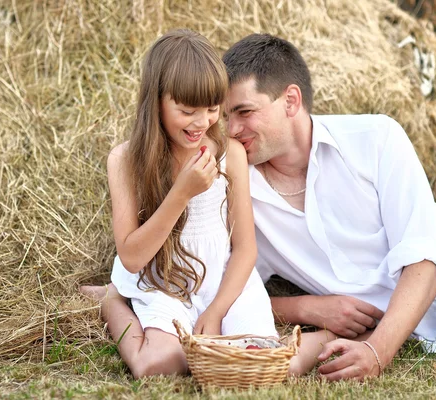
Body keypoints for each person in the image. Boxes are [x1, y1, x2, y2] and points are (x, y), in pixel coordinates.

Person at [220, 33, 436, 380]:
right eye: (225, 117)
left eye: (244, 112)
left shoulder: (374, 137)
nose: (232, 130)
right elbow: (225, 295)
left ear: (291, 101)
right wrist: (307, 307)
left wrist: (377, 351)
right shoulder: (237, 197)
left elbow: (423, 266)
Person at [80, 29, 334, 379]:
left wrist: (215, 311)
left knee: (259, 365)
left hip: (223, 281)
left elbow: (245, 250)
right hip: (164, 280)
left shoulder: (230, 153)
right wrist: (181, 193)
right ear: (157, 102)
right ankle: (113, 300)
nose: (202, 123)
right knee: (158, 366)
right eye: (187, 111)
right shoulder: (125, 161)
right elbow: (133, 256)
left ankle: (322, 338)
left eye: (213, 109)